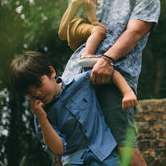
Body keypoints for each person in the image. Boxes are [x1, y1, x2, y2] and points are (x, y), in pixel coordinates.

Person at [62, 0, 160, 166]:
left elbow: (134, 33)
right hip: (78, 77)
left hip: (114, 79)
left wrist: (107, 59)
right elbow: (66, 32)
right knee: (74, 149)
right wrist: (76, 3)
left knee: (125, 148)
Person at [9, 51, 138, 165]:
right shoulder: (41, 117)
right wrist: (42, 118)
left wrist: (127, 92)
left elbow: (110, 72)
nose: (37, 94)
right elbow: (58, 149)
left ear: (51, 72)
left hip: (106, 152)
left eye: (38, 85)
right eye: (30, 94)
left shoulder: (81, 82)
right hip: (75, 161)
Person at [58, 0, 109, 68]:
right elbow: (88, 5)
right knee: (99, 30)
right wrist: (94, 21)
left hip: (81, 26)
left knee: (97, 31)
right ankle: (87, 55)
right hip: (78, 24)